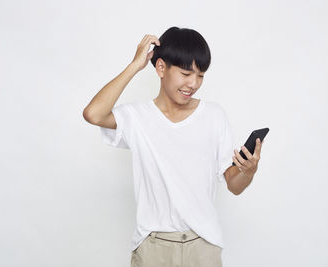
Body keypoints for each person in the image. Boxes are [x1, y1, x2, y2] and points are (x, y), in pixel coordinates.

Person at [83, 26, 263, 267]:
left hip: (203, 245)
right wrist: (135, 66)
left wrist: (247, 171)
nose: (193, 83)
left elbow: (234, 185)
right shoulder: (138, 117)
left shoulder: (214, 115)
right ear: (160, 68)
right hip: (153, 246)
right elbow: (93, 114)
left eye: (200, 75)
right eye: (186, 73)